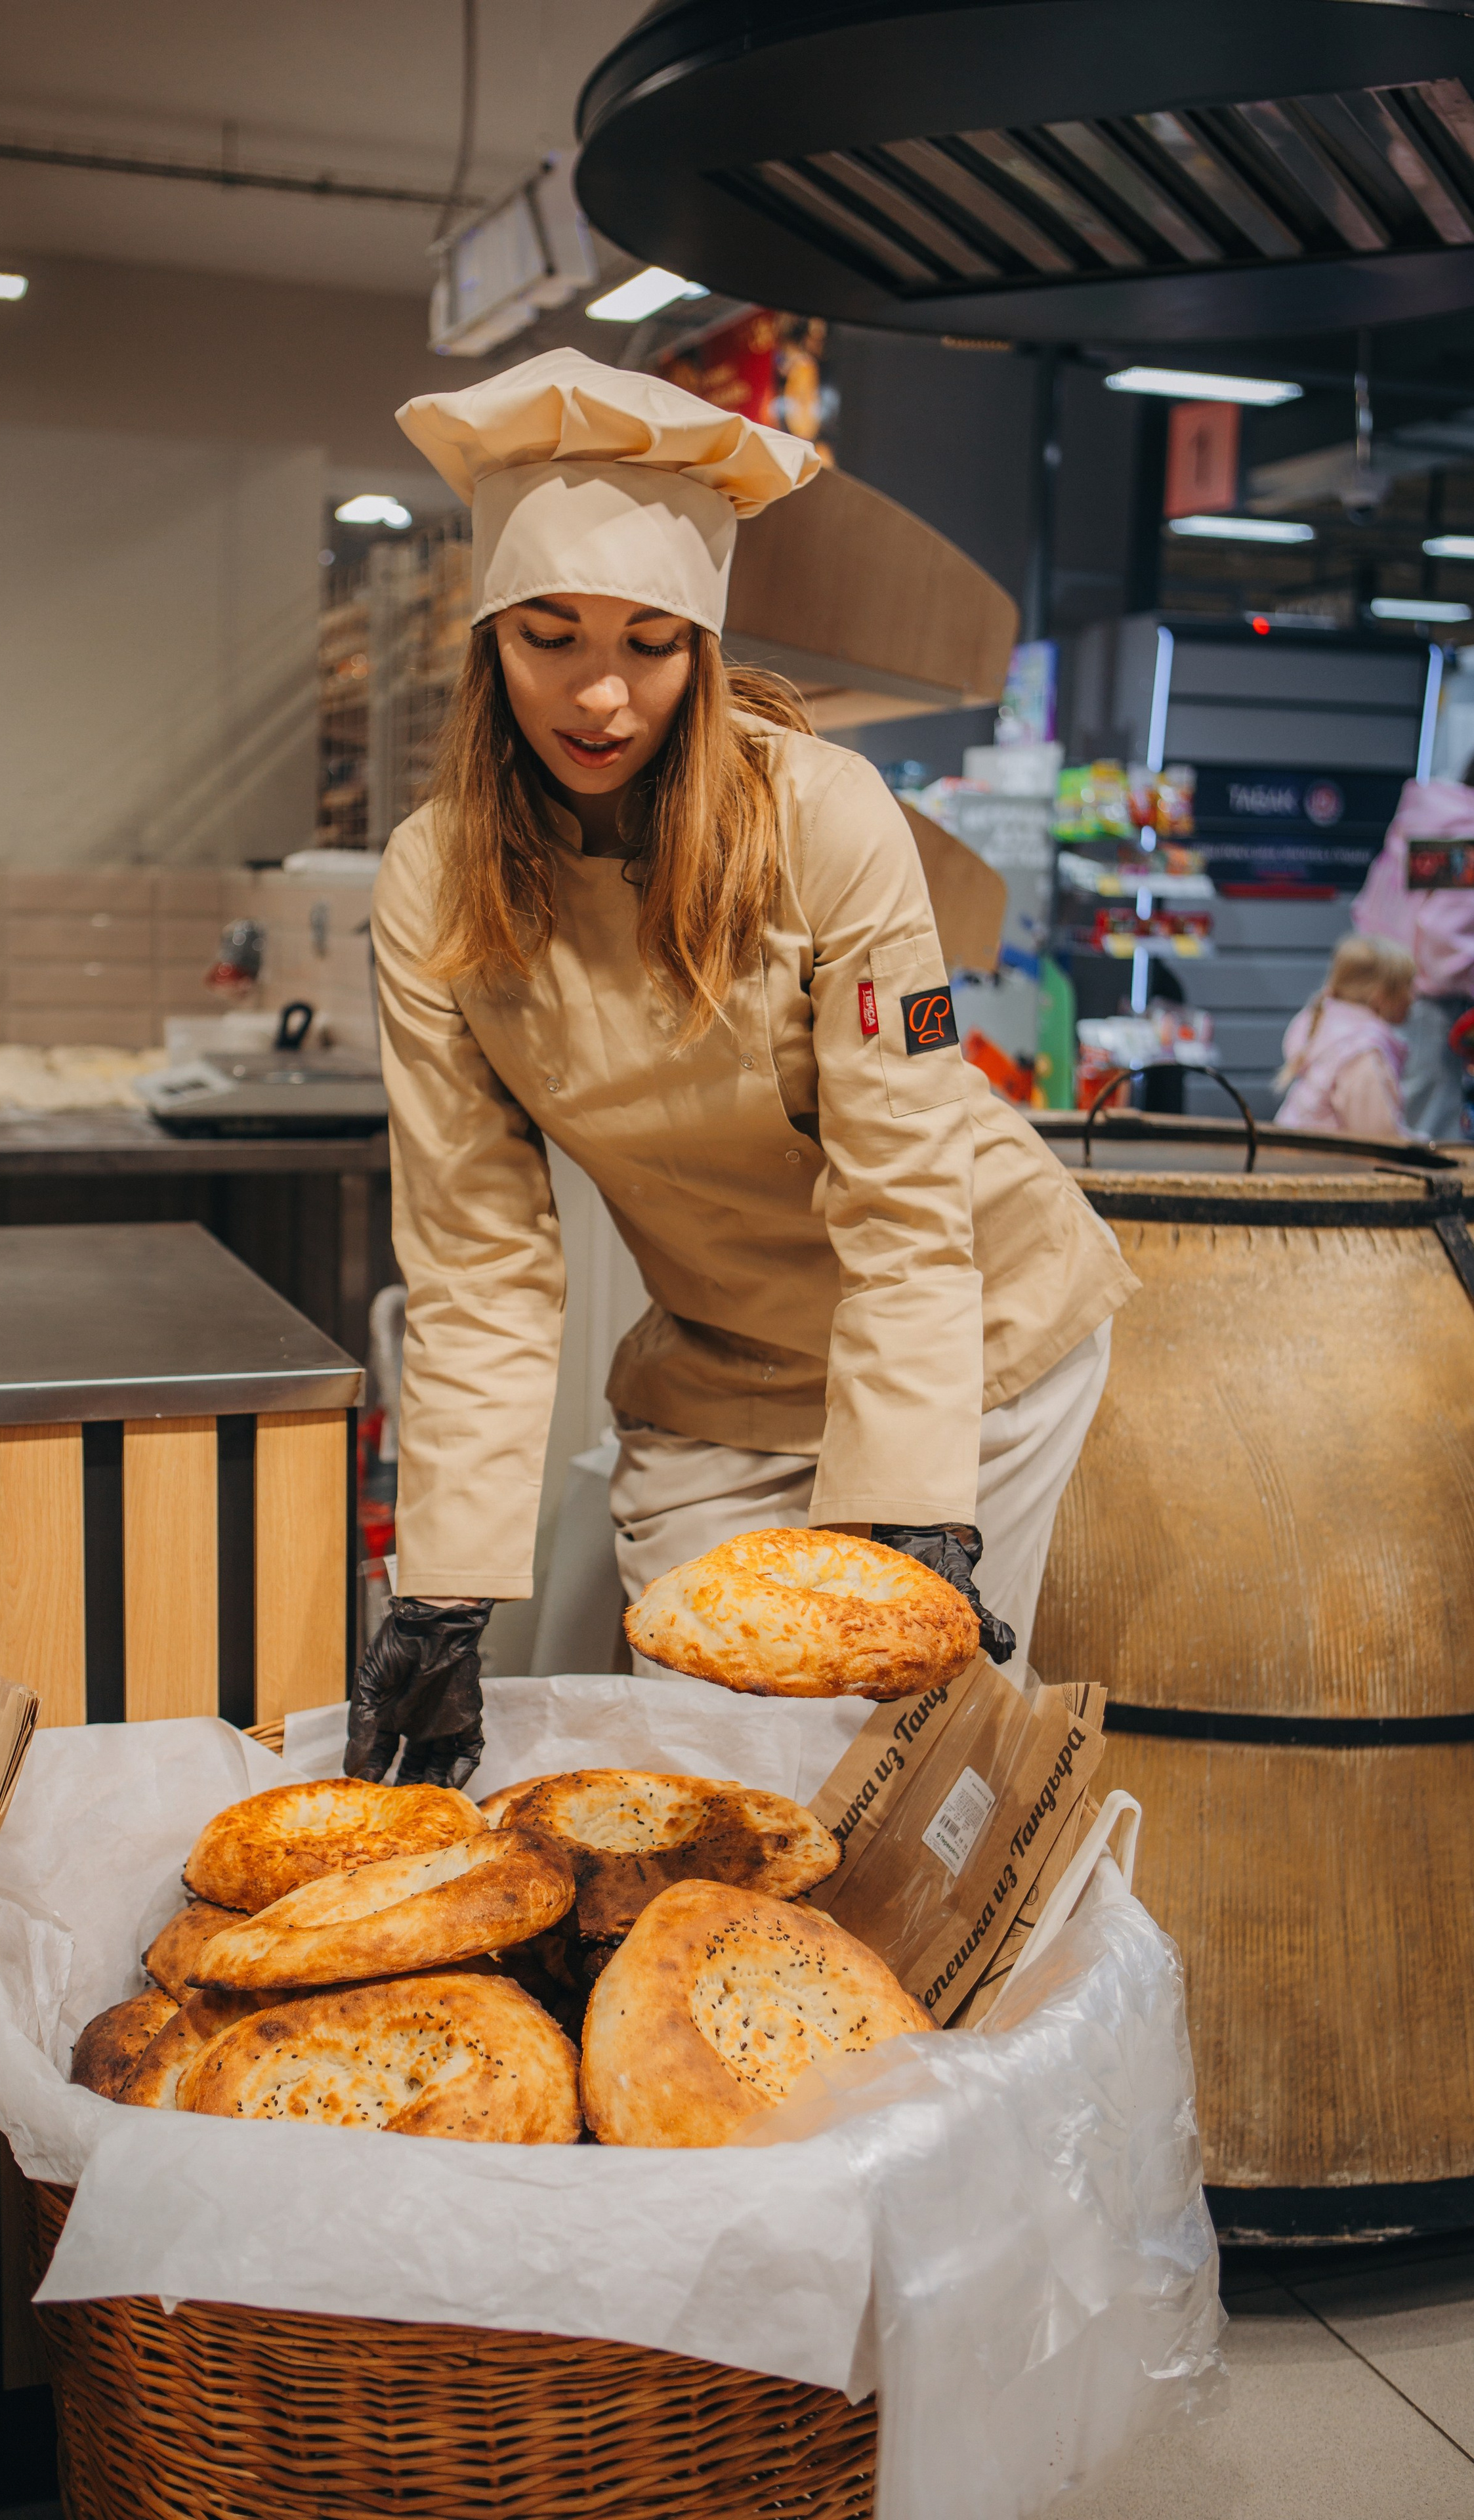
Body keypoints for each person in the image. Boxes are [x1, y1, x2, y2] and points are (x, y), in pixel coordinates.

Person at [345, 348, 1137, 1790]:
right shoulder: (434, 883)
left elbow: (904, 1195)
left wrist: (911, 1510)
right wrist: (444, 1587)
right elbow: (472, 1254)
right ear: (485, 644)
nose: (599, 697)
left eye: (650, 644)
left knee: (898, 1776)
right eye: (549, 637)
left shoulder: (820, 817)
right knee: (703, 1774)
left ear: (700, 651)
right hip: (719, 1361)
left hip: (968, 1330)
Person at [1351, 768, 1474, 1140]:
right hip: (1431, 1002)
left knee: (1401, 1107)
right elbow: (1444, 941)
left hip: (1386, 985)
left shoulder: (1428, 816)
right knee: (1428, 1120)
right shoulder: (1464, 832)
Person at [1274, 935, 1414, 1139]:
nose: (1413, 998)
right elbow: (1380, 1140)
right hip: (1326, 1164)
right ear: (1380, 995)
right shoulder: (1361, 1054)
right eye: (1408, 986)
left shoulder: (1324, 1020)